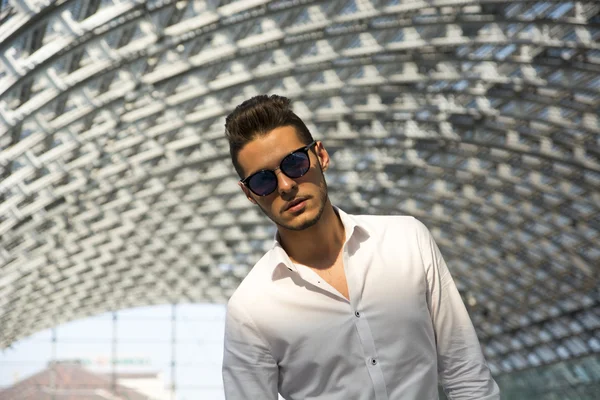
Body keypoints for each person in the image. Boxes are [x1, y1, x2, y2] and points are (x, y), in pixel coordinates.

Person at [221, 94, 500, 400]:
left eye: (295, 163)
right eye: (263, 181)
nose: (286, 186)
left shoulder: (408, 241)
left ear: (321, 156)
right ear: (249, 194)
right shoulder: (250, 308)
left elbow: (465, 372)